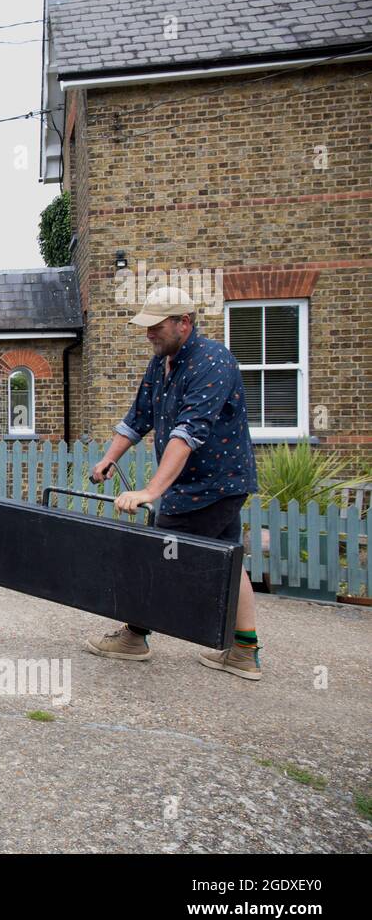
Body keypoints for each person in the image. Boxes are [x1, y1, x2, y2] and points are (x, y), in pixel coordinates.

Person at [85, 285, 262, 680]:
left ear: (184, 323)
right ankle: (244, 653)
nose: (148, 333)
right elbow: (137, 417)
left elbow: (188, 433)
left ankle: (134, 636)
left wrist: (151, 491)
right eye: (145, 326)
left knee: (156, 557)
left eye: (156, 326)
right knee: (230, 562)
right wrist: (109, 458)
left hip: (213, 485)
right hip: (201, 484)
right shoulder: (161, 363)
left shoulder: (212, 362)